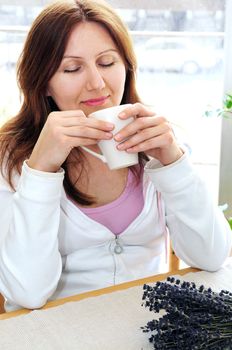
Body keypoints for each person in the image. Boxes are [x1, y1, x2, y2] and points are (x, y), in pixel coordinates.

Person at [0, 0, 231, 312]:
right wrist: (40, 170)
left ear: (127, 66)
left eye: (107, 63)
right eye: (72, 68)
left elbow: (212, 256)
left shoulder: (156, 142)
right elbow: (27, 292)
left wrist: (173, 162)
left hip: (141, 327)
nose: (97, 83)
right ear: (43, 83)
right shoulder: (11, 160)